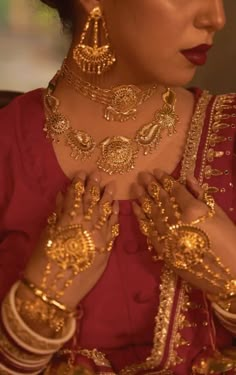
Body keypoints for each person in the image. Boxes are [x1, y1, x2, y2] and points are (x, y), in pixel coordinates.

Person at [0, 0, 236, 374]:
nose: (215, 18)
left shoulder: (229, 134)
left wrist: (231, 274)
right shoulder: (8, 149)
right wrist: (39, 309)